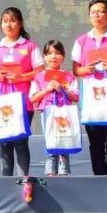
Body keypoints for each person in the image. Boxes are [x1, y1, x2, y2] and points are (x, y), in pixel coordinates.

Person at [71, 0, 107, 175]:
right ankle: (98, 178)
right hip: (91, 98)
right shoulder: (82, 41)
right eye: (93, 12)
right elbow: (76, 70)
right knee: (95, 142)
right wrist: (86, 69)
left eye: (101, 11)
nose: (97, 15)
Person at [0, 6, 41, 177]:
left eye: (12, 21)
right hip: (1, 101)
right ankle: (6, 182)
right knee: (4, 143)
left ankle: (23, 181)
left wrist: (21, 77)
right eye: (5, 21)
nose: (8, 25)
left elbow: (39, 70)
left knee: (21, 142)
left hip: (23, 100)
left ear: (20, 23)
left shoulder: (30, 46)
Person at [29, 40, 77, 177]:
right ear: (44, 57)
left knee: (64, 142)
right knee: (51, 143)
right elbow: (32, 98)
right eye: (49, 53)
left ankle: (63, 174)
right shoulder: (39, 76)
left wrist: (63, 90)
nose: (53, 56)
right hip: (48, 113)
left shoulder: (68, 76)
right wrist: (47, 89)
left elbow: (75, 97)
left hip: (64, 114)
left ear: (63, 56)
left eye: (57, 53)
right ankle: (51, 173)